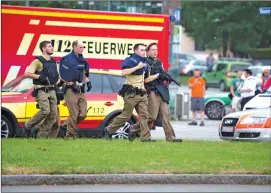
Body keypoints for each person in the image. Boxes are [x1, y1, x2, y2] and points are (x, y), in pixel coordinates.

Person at [129, 42, 182, 142]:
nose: (155, 52)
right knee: (151, 117)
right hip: (152, 91)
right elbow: (145, 80)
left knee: (166, 115)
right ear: (148, 51)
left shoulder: (159, 62)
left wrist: (166, 77)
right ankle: (133, 128)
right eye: (153, 50)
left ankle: (170, 137)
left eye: (156, 50)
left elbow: (162, 73)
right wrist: (158, 75)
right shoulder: (145, 63)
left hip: (162, 91)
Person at [104, 43, 154, 142]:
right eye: (141, 50)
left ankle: (145, 137)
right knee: (126, 115)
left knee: (145, 116)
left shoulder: (144, 62)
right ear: (136, 51)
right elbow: (123, 72)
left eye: (145, 50)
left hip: (142, 93)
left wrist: (157, 75)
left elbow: (144, 78)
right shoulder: (130, 60)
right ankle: (109, 130)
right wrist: (136, 67)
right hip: (131, 93)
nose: (144, 52)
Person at [23, 40, 59, 138]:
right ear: (43, 48)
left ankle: (41, 137)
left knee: (53, 115)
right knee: (45, 111)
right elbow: (27, 73)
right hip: (42, 90)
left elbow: (55, 76)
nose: (52, 48)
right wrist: (39, 77)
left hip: (52, 90)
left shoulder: (53, 61)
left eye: (51, 46)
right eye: (49, 46)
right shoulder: (37, 61)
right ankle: (27, 125)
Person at [59, 40, 92, 139]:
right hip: (70, 90)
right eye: (80, 47)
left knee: (83, 114)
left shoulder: (83, 60)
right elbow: (62, 75)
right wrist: (71, 83)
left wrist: (88, 82)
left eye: (83, 47)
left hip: (81, 90)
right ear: (74, 47)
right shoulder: (66, 59)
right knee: (74, 114)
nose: (82, 49)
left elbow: (84, 75)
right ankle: (70, 135)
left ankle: (64, 126)